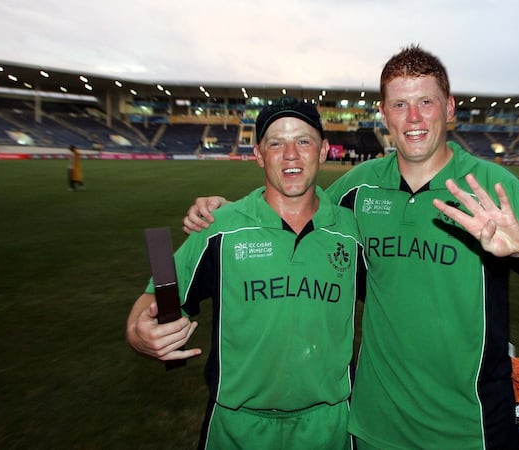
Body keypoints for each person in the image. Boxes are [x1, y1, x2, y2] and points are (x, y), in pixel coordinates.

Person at [182, 45, 519, 450]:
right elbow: (295, 205)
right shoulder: (359, 188)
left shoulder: (488, 185)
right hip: (372, 426)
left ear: (450, 108)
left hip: (469, 428)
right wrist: (225, 211)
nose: (414, 117)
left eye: (426, 102)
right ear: (383, 113)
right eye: (399, 105)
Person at [126, 96, 365, 450]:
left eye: (303, 141)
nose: (290, 154)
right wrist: (138, 332)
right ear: (258, 154)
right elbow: (157, 295)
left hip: (329, 425)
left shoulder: (352, 230)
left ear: (324, 149)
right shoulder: (217, 227)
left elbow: (392, 302)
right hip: (237, 428)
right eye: (275, 143)